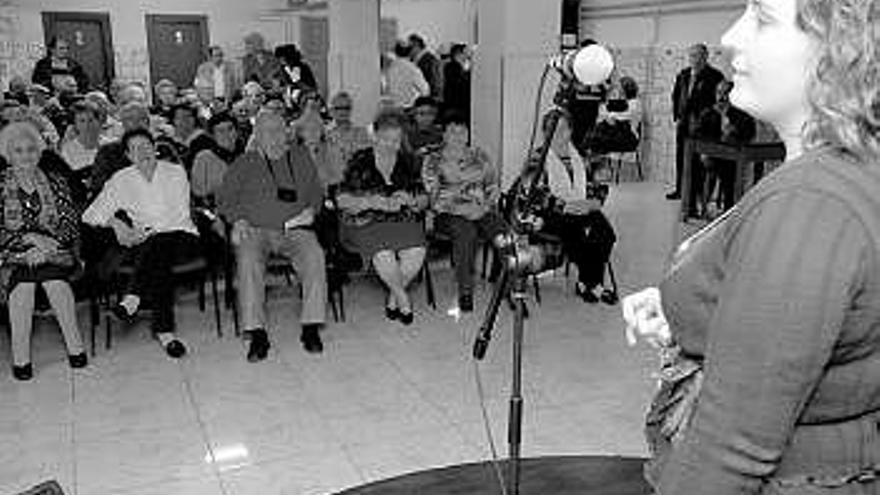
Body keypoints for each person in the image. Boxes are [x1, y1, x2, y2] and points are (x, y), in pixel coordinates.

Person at [623, 0, 880, 493]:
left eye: (762, 18)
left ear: (841, 50)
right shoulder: (845, 172)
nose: (732, 36)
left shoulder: (809, 203)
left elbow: (727, 452)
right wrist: (689, 306)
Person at [217, 110, 327, 358]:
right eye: (268, 132)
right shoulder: (244, 162)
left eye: (280, 131)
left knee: (315, 256)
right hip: (255, 229)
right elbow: (225, 199)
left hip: (295, 228)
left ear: (288, 133)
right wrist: (238, 220)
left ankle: (311, 326)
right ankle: (256, 333)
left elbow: (316, 193)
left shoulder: (301, 158)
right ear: (257, 136)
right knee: (247, 261)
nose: (275, 137)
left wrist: (312, 210)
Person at [83, 128, 200, 359]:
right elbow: (90, 214)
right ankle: (165, 332)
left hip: (182, 237)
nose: (142, 151)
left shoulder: (175, 172)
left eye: (146, 145)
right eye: (135, 148)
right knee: (158, 262)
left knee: (159, 243)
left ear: (154, 147)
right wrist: (117, 224)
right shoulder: (122, 179)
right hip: (149, 247)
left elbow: (177, 216)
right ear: (128, 155)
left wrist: (142, 233)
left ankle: (133, 297)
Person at [0, 122, 87, 381]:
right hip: (12, 255)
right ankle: (21, 359)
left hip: (55, 251)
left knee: (54, 283)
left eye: (30, 150)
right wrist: (28, 238)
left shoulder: (56, 181)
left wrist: (45, 245)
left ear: (39, 152)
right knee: (23, 288)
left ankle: (76, 348)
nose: (25, 155)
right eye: (18, 151)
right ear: (8, 154)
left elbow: (70, 224)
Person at [337, 111, 428, 324]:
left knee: (417, 249)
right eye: (387, 140)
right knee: (383, 252)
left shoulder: (408, 161)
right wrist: (372, 201)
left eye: (397, 140)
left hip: (400, 219)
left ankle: (393, 298)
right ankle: (403, 299)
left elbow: (424, 197)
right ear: (375, 136)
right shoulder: (360, 160)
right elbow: (341, 198)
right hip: (365, 221)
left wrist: (412, 200)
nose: (392, 146)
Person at [516, 109, 616, 302]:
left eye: (564, 129)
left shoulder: (582, 154)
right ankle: (593, 284)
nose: (560, 134)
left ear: (571, 130)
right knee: (576, 233)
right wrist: (563, 206)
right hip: (550, 213)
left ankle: (586, 282)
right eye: (554, 130)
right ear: (545, 133)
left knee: (605, 234)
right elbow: (532, 192)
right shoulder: (537, 157)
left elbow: (600, 182)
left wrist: (595, 201)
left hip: (582, 207)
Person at [421, 111, 504, 311]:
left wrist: (484, 206)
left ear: (468, 133)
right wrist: (465, 210)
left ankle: (507, 285)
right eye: (452, 132)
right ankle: (465, 291)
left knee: (503, 231)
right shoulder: (433, 159)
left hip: (480, 209)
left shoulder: (479, 155)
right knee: (466, 232)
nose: (458, 137)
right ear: (444, 135)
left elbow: (493, 187)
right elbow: (433, 197)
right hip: (448, 214)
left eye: (462, 132)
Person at [667, 43, 725, 200]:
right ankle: (680, 190)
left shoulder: (715, 75)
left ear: (706, 56)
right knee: (681, 157)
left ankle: (699, 194)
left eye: (698, 55)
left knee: (700, 162)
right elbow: (676, 95)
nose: (695, 59)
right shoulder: (683, 74)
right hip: (684, 123)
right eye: (692, 55)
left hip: (704, 126)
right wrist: (677, 116)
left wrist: (707, 118)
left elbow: (718, 101)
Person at [694, 79, 756, 217]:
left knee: (730, 171)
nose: (721, 97)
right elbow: (697, 133)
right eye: (718, 93)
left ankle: (729, 211)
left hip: (732, 158)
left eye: (725, 93)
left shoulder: (741, 114)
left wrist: (733, 131)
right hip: (709, 155)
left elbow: (749, 133)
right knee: (694, 166)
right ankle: (696, 206)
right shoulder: (708, 113)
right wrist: (704, 152)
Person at [191, 112, 241, 207]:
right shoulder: (203, 158)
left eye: (230, 129)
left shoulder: (248, 156)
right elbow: (198, 194)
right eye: (220, 131)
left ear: (237, 132)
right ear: (213, 136)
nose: (226, 134)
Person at [60, 100, 110, 189]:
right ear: (75, 125)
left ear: (99, 121)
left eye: (91, 120)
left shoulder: (111, 145)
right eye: (82, 121)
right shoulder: (67, 150)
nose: (87, 125)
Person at [326, 91, 371, 178]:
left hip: (354, 182)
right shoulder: (324, 134)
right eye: (338, 108)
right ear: (331, 110)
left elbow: (365, 161)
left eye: (346, 108)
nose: (343, 112)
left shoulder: (361, 133)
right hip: (331, 182)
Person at [383, 41, 430, 110]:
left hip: (394, 107)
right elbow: (425, 90)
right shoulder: (412, 68)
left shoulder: (389, 68)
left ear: (395, 52)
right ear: (410, 52)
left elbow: (386, 89)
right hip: (409, 107)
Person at [441, 43, 471, 122]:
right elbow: (461, 86)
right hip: (456, 107)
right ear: (458, 54)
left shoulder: (454, 67)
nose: (467, 57)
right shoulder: (452, 67)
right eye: (465, 53)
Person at [408, 34, 442, 100]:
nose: (407, 51)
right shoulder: (414, 59)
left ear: (416, 45)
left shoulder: (430, 59)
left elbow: (434, 81)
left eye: (409, 47)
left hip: (427, 99)